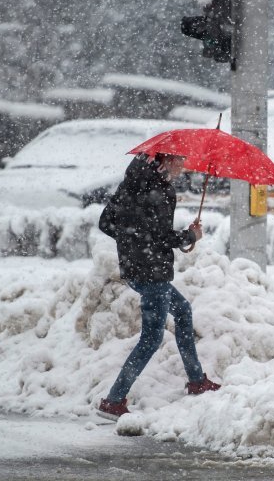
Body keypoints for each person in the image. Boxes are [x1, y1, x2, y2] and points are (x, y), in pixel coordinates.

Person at [97, 152, 220, 419]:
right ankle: (113, 400)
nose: (183, 165)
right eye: (179, 160)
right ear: (164, 160)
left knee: (183, 311)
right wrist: (190, 235)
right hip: (153, 272)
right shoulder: (161, 190)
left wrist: (132, 242)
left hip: (134, 269)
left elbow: (105, 223)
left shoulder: (130, 184)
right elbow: (161, 237)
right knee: (151, 339)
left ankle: (196, 380)